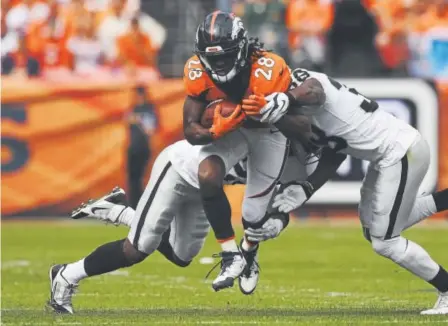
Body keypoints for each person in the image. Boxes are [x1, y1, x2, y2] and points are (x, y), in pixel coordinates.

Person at [243, 66, 448, 315]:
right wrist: (307, 188)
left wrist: (287, 99)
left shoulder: (299, 86)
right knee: (373, 228)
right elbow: (335, 151)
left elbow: (314, 90)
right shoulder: (293, 110)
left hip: (400, 151)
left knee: (385, 242)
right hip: (388, 156)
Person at [47, 139, 290, 314]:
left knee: (182, 256)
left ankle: (116, 210)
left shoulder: (283, 153)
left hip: (206, 189)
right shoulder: (259, 131)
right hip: (179, 168)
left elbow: (275, 202)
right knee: (138, 248)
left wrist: (275, 224)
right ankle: (66, 275)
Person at [182, 11, 310, 292]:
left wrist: (272, 111)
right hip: (232, 130)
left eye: (224, 56)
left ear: (241, 48)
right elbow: (190, 130)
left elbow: (303, 125)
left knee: (253, 217)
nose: (217, 63)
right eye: (211, 57)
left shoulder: (268, 68)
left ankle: (249, 252)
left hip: (269, 133)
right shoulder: (196, 69)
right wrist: (215, 131)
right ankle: (230, 253)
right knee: (207, 174)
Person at [126, 85, 158, 209]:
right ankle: (133, 205)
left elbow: (150, 129)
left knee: (141, 179)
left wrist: (139, 120)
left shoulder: (149, 109)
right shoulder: (133, 109)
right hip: (132, 147)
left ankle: (142, 204)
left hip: (143, 148)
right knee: (132, 179)